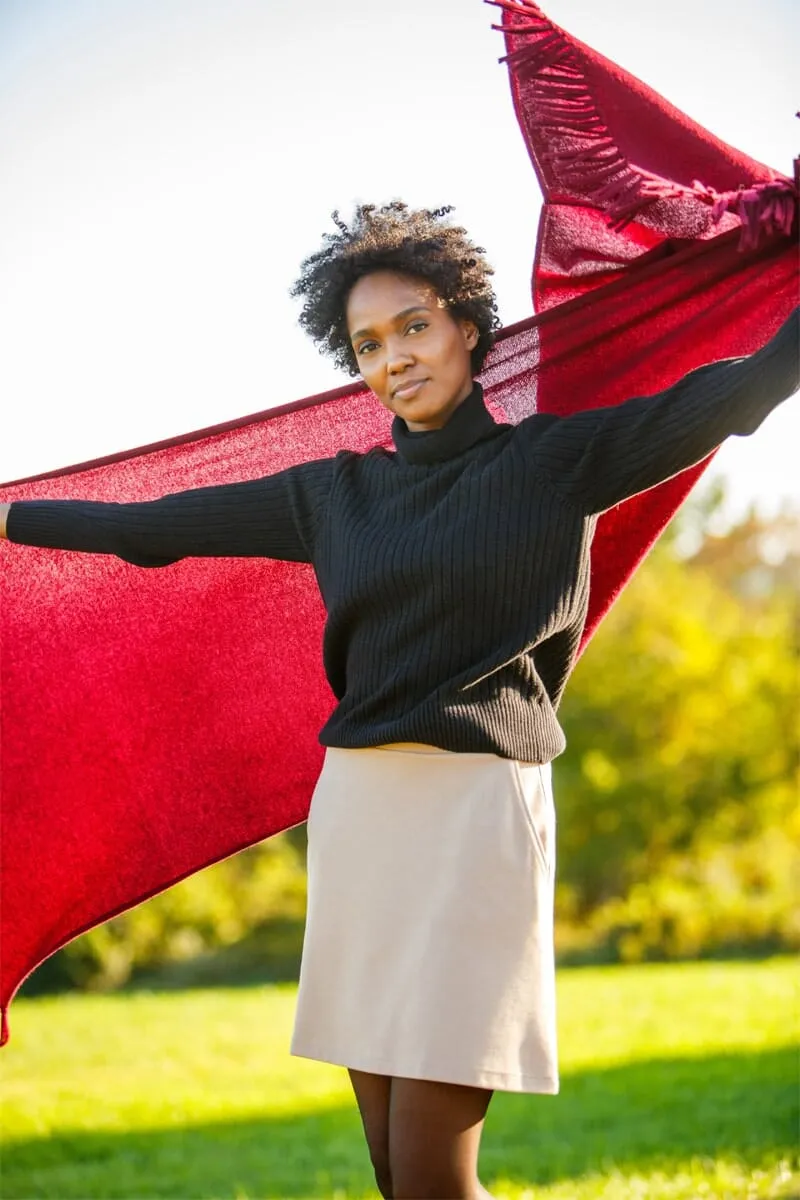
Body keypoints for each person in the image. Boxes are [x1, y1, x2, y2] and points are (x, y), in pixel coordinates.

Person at [1, 201, 798, 1200]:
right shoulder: (332, 494)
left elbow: (747, 388)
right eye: (368, 344)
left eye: (413, 327)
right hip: (360, 819)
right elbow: (156, 526)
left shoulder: (554, 465)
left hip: (475, 819)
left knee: (431, 1175)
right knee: (388, 1171)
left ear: (466, 324)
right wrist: (13, 517)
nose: (394, 359)